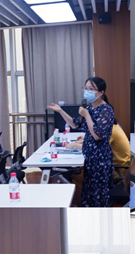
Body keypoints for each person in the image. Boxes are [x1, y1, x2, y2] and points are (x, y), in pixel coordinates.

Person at [48, 77, 115, 207]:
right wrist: (60, 110)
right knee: (88, 191)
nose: (87, 91)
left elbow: (97, 135)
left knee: (98, 193)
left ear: (101, 92)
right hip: (89, 155)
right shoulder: (89, 108)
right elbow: (74, 124)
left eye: (91, 89)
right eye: (86, 88)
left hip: (100, 157)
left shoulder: (106, 110)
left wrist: (87, 115)